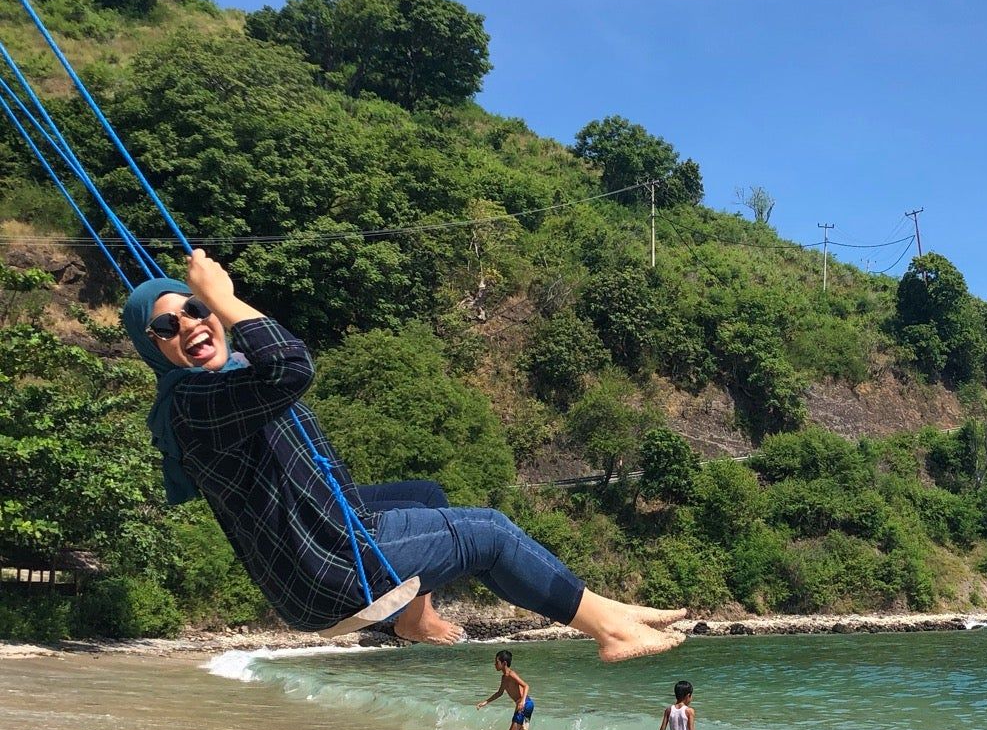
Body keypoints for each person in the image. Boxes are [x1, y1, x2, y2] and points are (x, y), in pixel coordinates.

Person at [121, 249, 686, 658]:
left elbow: (272, 369)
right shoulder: (195, 401)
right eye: (168, 325)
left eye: (196, 308)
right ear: (155, 350)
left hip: (312, 560)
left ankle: (414, 621)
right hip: (332, 567)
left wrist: (221, 310)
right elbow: (293, 366)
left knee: (424, 496)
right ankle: (608, 629)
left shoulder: (216, 386)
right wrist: (224, 296)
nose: (191, 323)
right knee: (488, 533)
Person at [477, 649, 535, 730]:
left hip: (525, 704)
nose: (495, 664)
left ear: (504, 663)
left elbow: (526, 686)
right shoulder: (504, 678)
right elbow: (499, 693)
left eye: (496, 662)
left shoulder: (511, 674)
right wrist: (485, 702)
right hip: (526, 704)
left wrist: (522, 702)